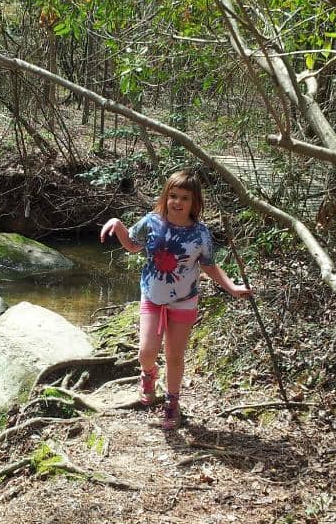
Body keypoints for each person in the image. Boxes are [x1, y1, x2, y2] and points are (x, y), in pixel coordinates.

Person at [100, 170, 252, 430]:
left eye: (184, 197)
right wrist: (118, 224)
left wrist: (231, 287)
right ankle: (148, 375)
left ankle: (172, 402)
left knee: (174, 355)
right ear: (165, 196)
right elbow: (133, 246)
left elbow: (209, 265)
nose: (177, 202)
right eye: (173, 196)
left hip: (184, 300)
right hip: (152, 296)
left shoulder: (200, 233)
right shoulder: (152, 222)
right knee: (146, 352)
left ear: (195, 202)